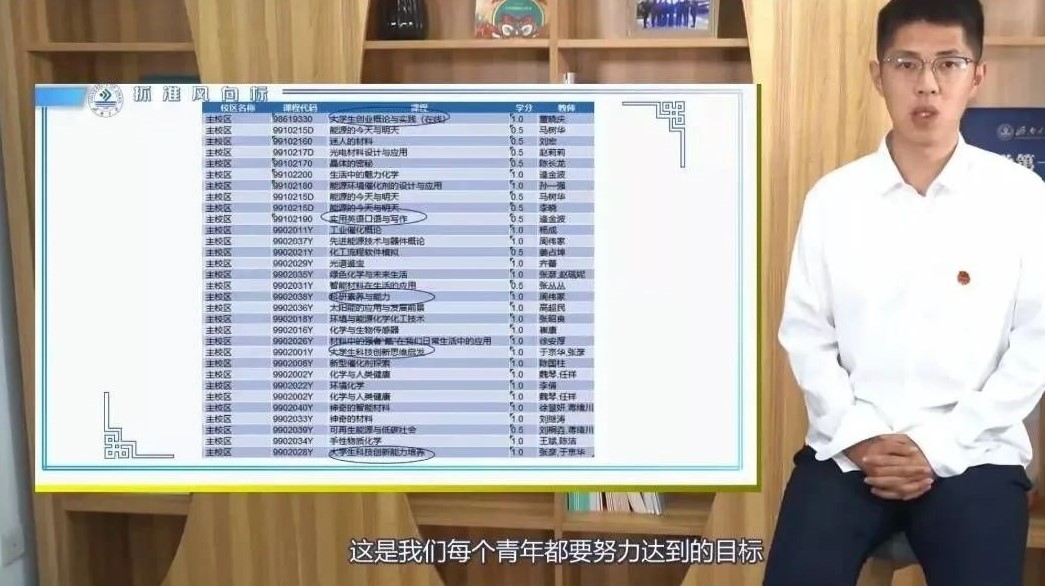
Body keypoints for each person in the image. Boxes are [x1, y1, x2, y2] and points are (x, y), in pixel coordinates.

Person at [762, 0, 1045, 584]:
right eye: (906, 63)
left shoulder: (1021, 197)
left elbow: (1035, 345)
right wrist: (861, 437)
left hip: (974, 450)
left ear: (977, 76)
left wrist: (938, 445)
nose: (927, 84)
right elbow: (807, 337)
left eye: (949, 63)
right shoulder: (834, 200)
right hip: (851, 446)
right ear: (878, 75)